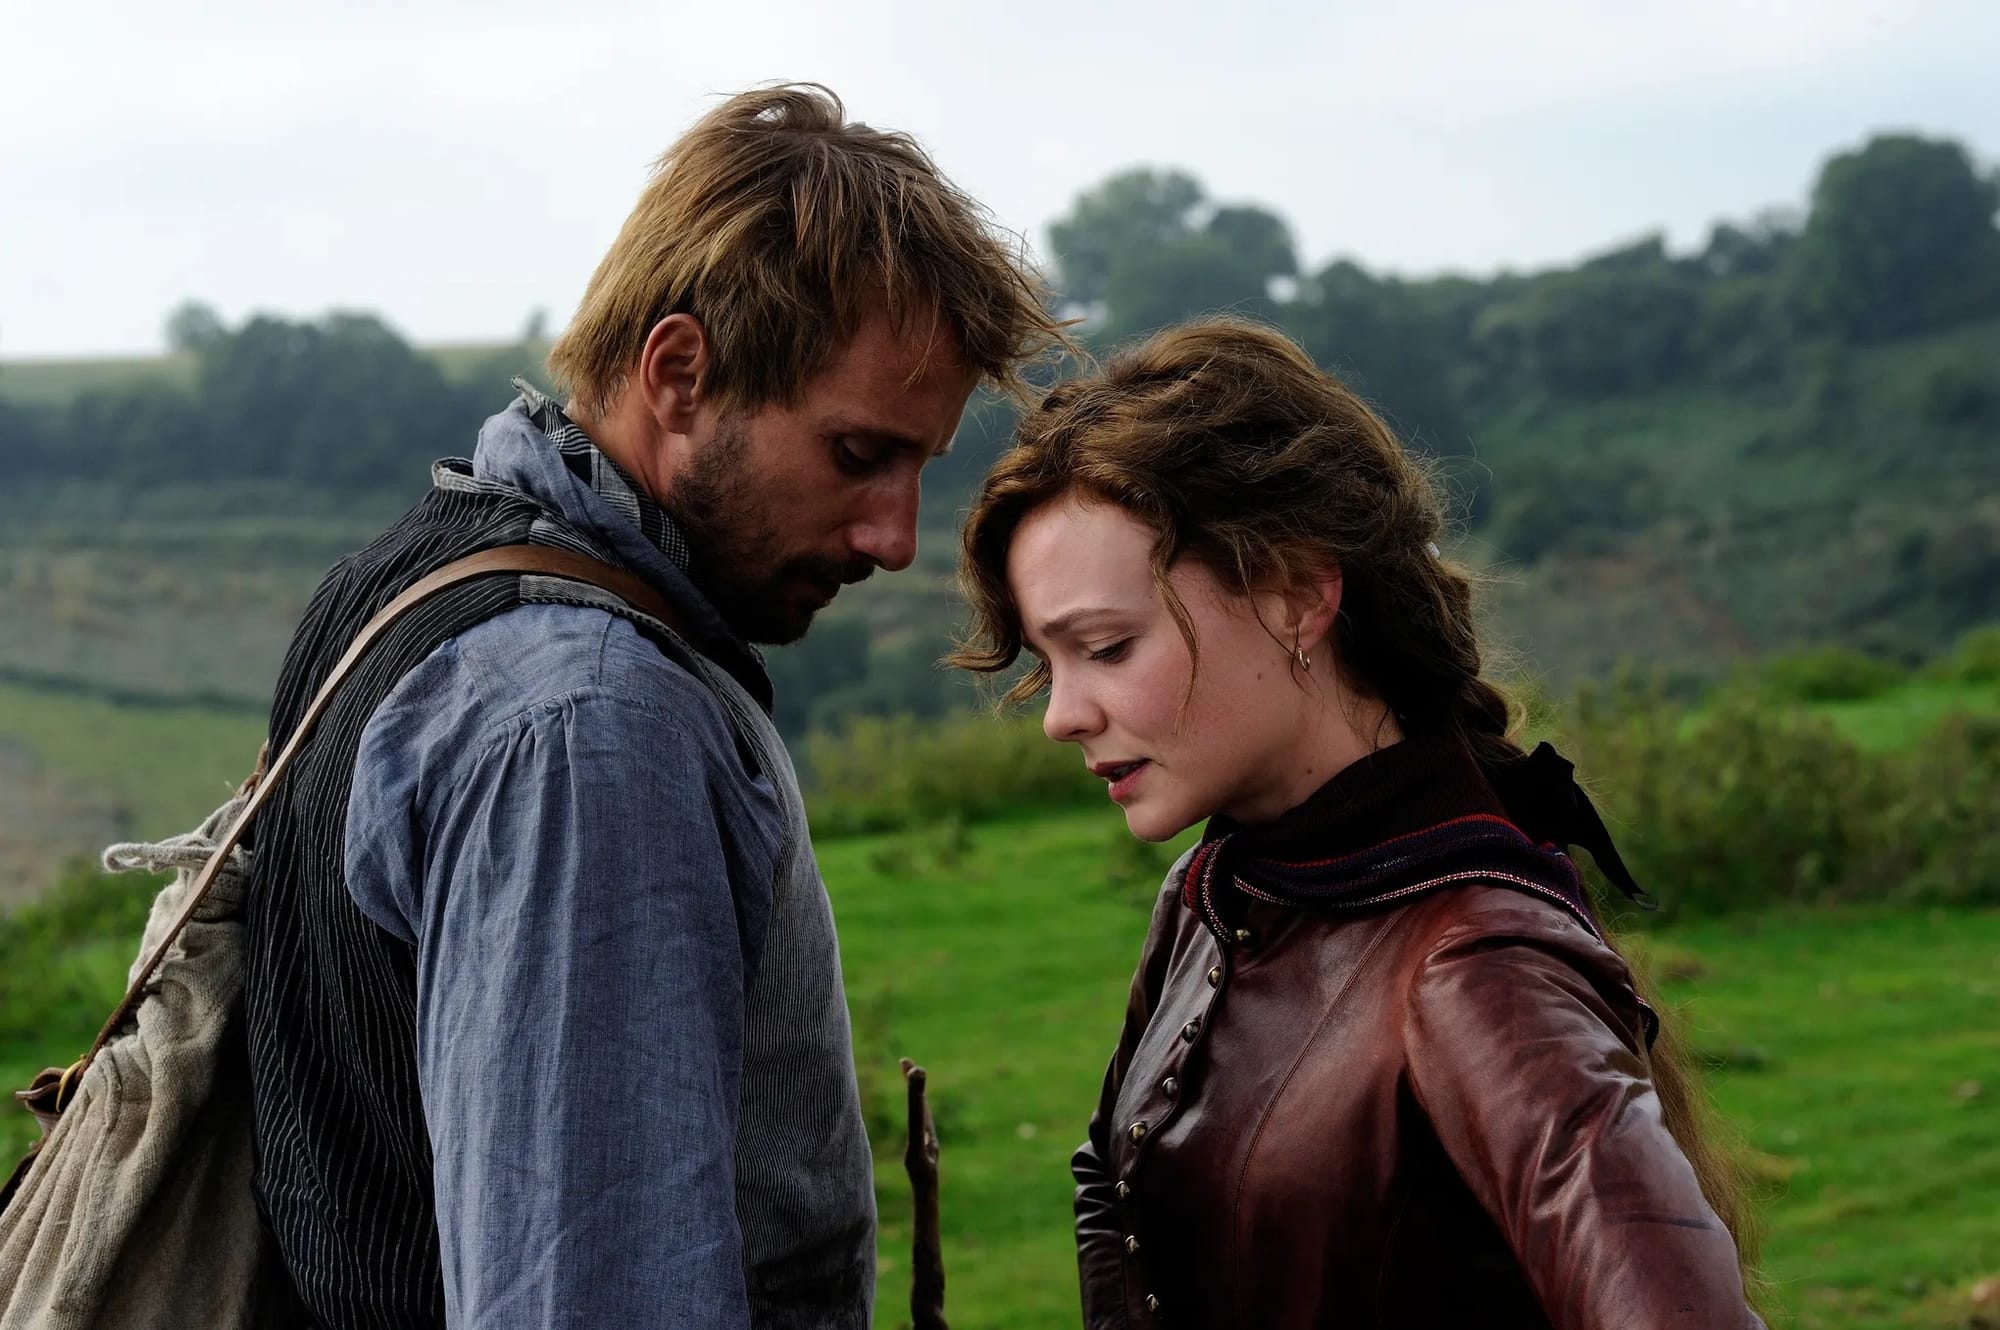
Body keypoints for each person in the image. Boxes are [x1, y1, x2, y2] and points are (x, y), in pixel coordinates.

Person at [242, 84, 1068, 1328]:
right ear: (679, 373)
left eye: (918, 467)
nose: (894, 538)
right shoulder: (589, 726)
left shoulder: (403, 582)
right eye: (856, 454)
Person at [950, 317, 1765, 1329]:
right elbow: (1117, 1199)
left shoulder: (1474, 967)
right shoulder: (1214, 897)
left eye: (1107, 647)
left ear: (1296, 595)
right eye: (1048, 661)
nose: (1061, 714)